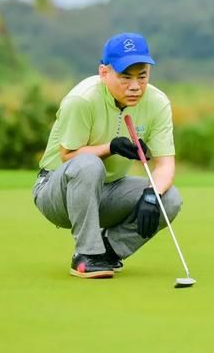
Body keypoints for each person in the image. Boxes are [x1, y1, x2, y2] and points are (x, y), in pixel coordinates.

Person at [32, 32, 182, 279]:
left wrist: (151, 195)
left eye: (142, 76)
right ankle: (86, 256)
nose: (135, 86)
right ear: (104, 73)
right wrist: (110, 147)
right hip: (56, 192)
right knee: (89, 165)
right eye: (125, 77)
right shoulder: (82, 99)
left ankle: (108, 252)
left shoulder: (157, 102)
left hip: (109, 191)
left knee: (169, 198)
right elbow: (68, 157)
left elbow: (165, 164)